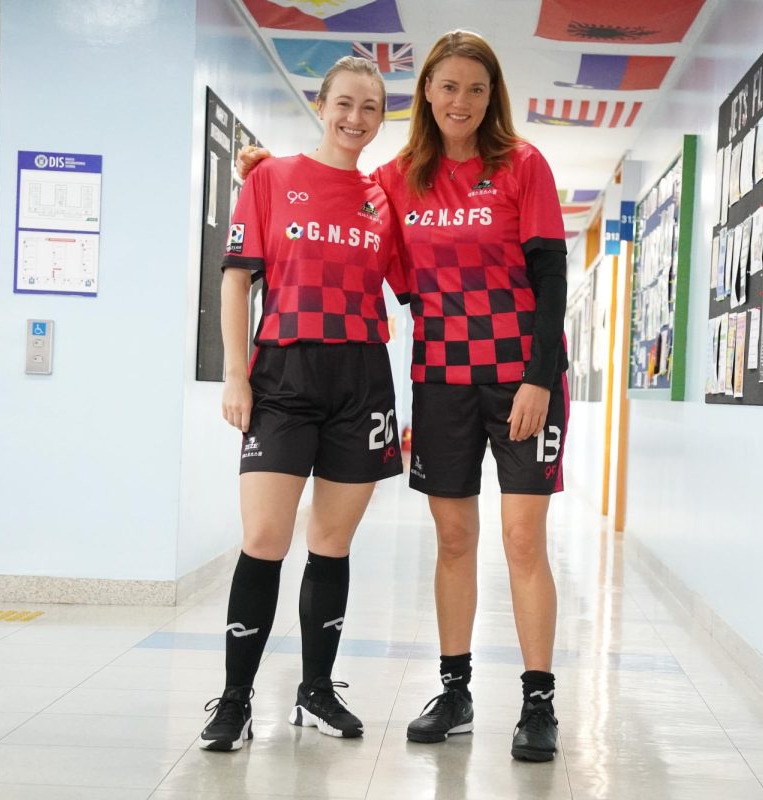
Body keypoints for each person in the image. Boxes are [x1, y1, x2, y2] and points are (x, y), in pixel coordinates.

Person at [240, 29, 569, 762]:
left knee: (521, 539)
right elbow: (335, 193)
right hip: (442, 377)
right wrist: (265, 170)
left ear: (493, 98)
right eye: (448, 86)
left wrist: (540, 377)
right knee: (454, 539)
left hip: (523, 379)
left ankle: (538, 700)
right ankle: (455, 691)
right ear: (426, 92)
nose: (462, 101)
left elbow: (551, 278)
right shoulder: (397, 180)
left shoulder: (523, 165)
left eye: (477, 89)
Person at [198, 56, 405, 752]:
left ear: (382, 119)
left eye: (370, 109)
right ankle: (234, 701)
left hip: (361, 378)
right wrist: (236, 374)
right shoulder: (270, 178)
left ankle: (316, 691)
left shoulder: (384, 198)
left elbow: (413, 283)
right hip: (282, 372)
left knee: (332, 543)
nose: (355, 118)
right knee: (264, 540)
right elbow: (236, 280)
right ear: (323, 104)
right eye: (344, 103)